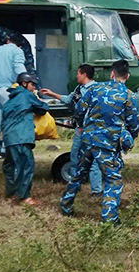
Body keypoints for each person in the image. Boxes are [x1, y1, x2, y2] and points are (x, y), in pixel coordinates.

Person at [59, 60, 139, 223]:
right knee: (112, 179)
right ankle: (109, 220)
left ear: (112, 74)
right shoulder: (128, 95)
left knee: (79, 173)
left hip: (88, 139)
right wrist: (129, 137)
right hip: (108, 144)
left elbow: (80, 109)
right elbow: (134, 124)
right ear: (128, 76)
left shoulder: (96, 88)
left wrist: (82, 125)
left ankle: (65, 205)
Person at [39, 64, 103, 196]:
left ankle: (96, 190)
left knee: (94, 160)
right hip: (80, 129)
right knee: (75, 157)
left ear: (84, 74)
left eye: (79, 73)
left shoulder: (97, 89)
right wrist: (51, 94)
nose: (77, 76)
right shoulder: (79, 89)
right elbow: (69, 99)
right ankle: (75, 185)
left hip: (91, 130)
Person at [0, 72, 48, 205]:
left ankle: (11, 193)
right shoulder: (27, 95)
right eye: (32, 84)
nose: (34, 87)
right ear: (24, 83)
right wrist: (41, 101)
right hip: (21, 136)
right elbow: (43, 108)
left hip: (9, 137)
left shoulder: (10, 99)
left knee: (10, 165)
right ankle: (24, 197)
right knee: (26, 165)